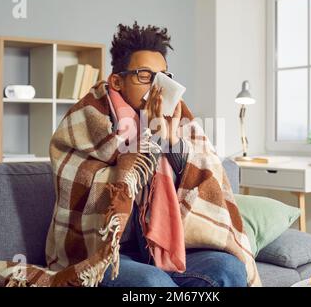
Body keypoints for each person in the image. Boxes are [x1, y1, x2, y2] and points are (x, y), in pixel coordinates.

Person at [99, 22, 247, 287]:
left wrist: (170, 139)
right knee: (153, 283)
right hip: (113, 253)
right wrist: (150, 136)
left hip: (171, 247)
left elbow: (200, 178)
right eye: (145, 75)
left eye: (163, 76)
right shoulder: (93, 120)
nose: (157, 86)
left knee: (230, 269)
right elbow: (103, 189)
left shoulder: (179, 122)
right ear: (117, 81)